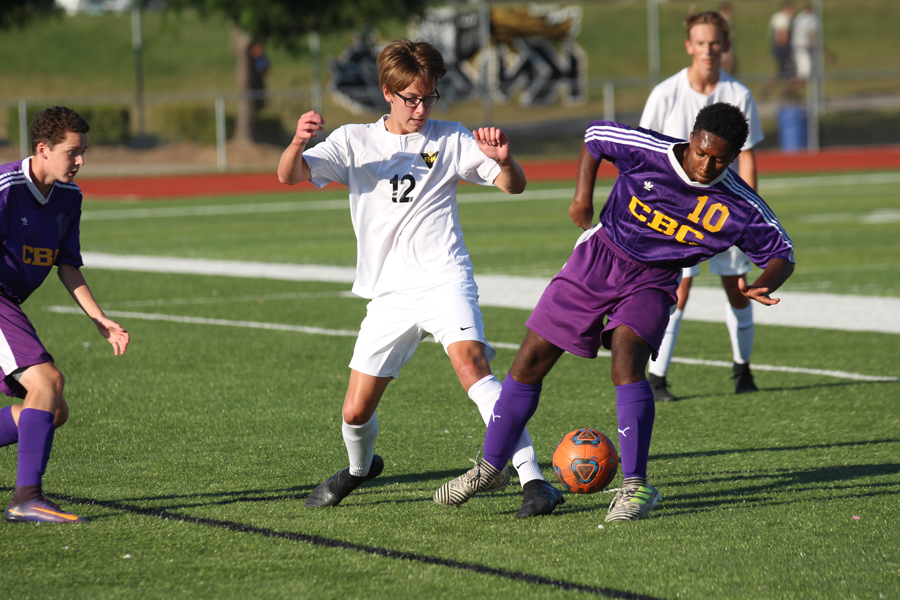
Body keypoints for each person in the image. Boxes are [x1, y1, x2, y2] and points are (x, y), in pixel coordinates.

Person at [434, 103, 795, 521]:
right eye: (701, 151)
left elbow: (782, 252)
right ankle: (490, 467)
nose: (706, 164)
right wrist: (581, 197)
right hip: (599, 257)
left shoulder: (740, 205)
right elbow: (594, 138)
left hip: (654, 279)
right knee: (531, 358)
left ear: (734, 158)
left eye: (720, 159)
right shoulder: (650, 151)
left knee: (627, 358)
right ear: (692, 138)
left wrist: (766, 281)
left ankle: (635, 487)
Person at [277, 39, 563, 518]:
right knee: (354, 412)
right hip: (389, 293)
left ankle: (533, 480)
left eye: (429, 97)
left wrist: (506, 160)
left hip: (444, 277)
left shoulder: (451, 138)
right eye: (411, 98)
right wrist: (297, 144)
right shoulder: (353, 140)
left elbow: (514, 185)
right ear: (387, 93)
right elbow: (290, 175)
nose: (421, 107)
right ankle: (360, 469)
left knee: (473, 365)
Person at [0, 106, 130, 523]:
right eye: (73, 152)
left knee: (52, 409)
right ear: (43, 148)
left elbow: (66, 264)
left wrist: (99, 317)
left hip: (8, 302)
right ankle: (26, 498)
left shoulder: (68, 198)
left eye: (84, 152)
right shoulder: (5, 185)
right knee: (48, 380)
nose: (81, 161)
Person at [639, 10, 765, 402]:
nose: (708, 50)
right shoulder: (666, 93)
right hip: (676, 209)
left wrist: (748, 214)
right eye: (701, 42)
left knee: (737, 288)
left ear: (725, 47)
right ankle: (657, 379)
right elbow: (645, 149)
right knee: (677, 291)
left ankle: (743, 370)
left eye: (715, 43)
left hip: (724, 209)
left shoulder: (738, 94)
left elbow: (747, 157)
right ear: (688, 46)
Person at [762, 1, 795, 99]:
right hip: (782, 49)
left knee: (782, 73)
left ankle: (787, 92)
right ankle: (788, 93)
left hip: (779, 49)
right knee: (788, 72)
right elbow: (780, 36)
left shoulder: (778, 17)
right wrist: (787, 50)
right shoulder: (783, 18)